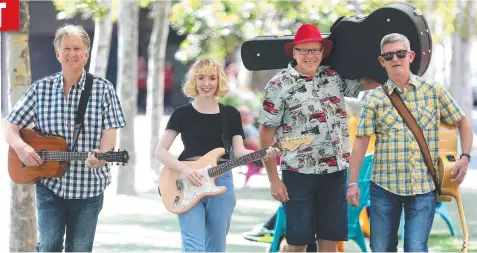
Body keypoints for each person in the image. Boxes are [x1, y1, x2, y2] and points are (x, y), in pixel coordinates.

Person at [3, 24, 126, 252]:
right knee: (49, 246)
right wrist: (21, 147)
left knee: (80, 248)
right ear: (57, 53)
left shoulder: (104, 89)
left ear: (86, 55)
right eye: (66, 48)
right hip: (50, 186)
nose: (72, 54)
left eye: (77, 48)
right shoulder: (41, 89)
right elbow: (10, 125)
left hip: (89, 187)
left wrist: (102, 154)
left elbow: (110, 131)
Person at [258, 23, 380, 252]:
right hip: (298, 174)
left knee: (330, 242)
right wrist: (274, 179)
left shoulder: (333, 77)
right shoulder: (278, 84)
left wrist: (390, 67)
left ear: (323, 52)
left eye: (315, 50)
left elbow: (369, 83)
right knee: (297, 243)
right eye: (304, 50)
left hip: (335, 173)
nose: (310, 55)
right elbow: (266, 133)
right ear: (294, 52)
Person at [347, 33, 473, 252]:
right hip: (384, 187)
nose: (395, 58)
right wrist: (352, 182)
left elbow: (463, 122)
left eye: (400, 53)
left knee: (416, 248)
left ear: (411, 56)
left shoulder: (434, 92)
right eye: (389, 55)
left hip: (423, 187)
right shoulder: (375, 99)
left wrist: (465, 157)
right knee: (381, 249)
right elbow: (360, 142)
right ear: (382, 61)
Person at [155, 57, 280, 252]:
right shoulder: (181, 114)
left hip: (221, 182)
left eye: (212, 78)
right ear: (193, 81)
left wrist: (265, 153)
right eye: (201, 78)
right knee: (194, 247)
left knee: (216, 247)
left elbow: (239, 153)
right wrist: (186, 170)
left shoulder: (230, 114)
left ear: (219, 80)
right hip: (187, 181)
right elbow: (160, 151)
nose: (207, 84)